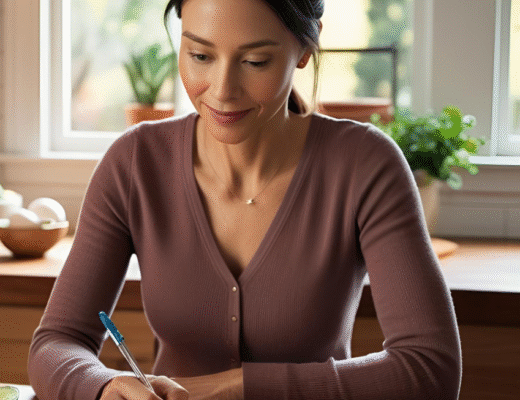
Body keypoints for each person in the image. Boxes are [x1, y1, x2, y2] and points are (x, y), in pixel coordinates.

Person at [27, 0, 462, 398]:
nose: (222, 89)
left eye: (255, 61)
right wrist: (103, 387)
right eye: (200, 55)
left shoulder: (365, 165)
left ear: (305, 50)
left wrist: (237, 387)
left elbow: (429, 368)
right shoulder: (135, 163)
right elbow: (56, 343)